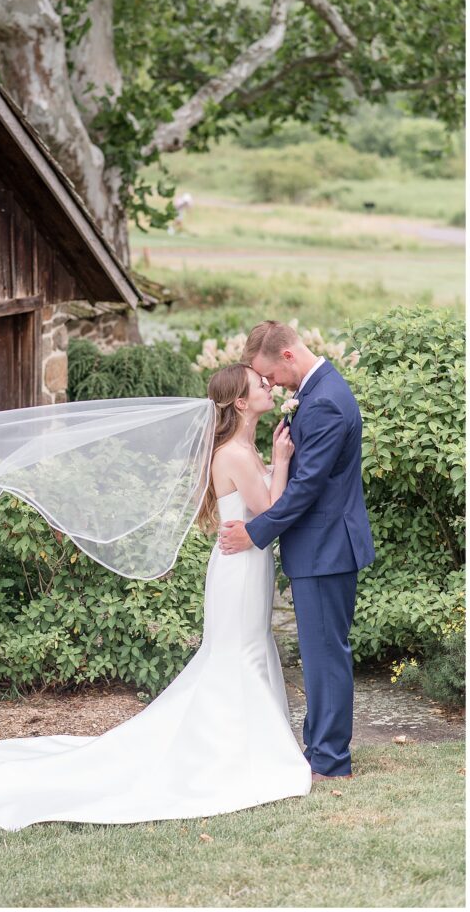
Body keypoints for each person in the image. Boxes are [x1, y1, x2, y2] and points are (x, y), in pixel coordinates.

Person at [0, 363, 312, 832]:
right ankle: (236, 751)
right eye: (259, 383)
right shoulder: (233, 452)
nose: (269, 385)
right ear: (242, 401)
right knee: (235, 653)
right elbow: (270, 508)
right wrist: (284, 462)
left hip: (247, 563)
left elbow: (260, 508)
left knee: (245, 649)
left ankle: (243, 743)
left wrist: (273, 462)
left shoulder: (242, 445)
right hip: (239, 570)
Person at [218, 321, 375, 781]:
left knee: (325, 654)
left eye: (269, 375)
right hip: (321, 547)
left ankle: (330, 760)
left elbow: (306, 488)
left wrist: (255, 532)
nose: (269, 384)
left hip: (326, 548)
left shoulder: (324, 400)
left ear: (287, 356)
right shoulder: (318, 389)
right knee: (321, 651)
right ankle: (319, 749)